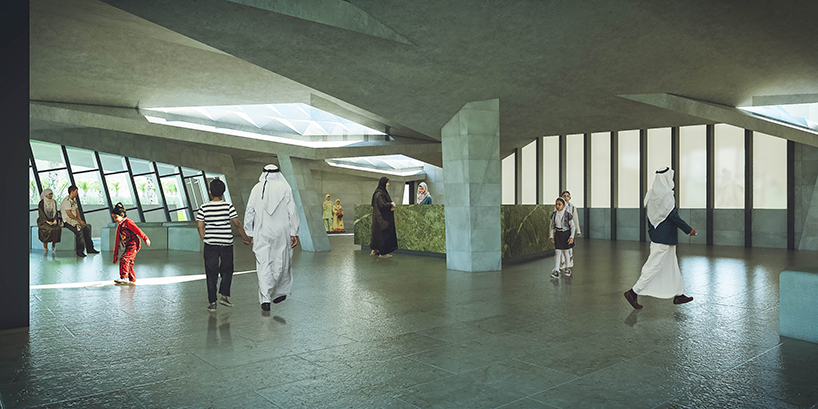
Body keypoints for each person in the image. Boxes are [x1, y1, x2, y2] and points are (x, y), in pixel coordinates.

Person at [624, 167, 697, 309]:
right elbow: (672, 216)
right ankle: (633, 292)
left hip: (660, 236)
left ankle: (679, 294)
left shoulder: (652, 193)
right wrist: (689, 230)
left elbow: (651, 217)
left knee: (672, 266)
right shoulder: (667, 195)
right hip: (664, 239)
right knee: (653, 267)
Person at [244, 164, 299, 312]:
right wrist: (294, 231)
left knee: (263, 263)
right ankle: (278, 292)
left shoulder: (256, 188)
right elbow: (292, 211)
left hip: (262, 232)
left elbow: (249, 210)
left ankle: (266, 298)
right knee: (281, 261)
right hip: (282, 231)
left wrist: (248, 232)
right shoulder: (285, 188)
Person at [197, 179, 252, 312]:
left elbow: (200, 226)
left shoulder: (203, 208)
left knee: (211, 273)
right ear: (223, 192)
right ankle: (224, 296)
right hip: (226, 244)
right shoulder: (228, 206)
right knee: (227, 270)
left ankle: (212, 303)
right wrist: (246, 238)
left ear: (210, 192)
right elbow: (237, 224)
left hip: (210, 245)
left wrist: (205, 238)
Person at [111, 203, 150, 285]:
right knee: (130, 261)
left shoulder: (128, 222)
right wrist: (115, 254)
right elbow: (117, 240)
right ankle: (132, 278)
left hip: (133, 244)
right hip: (129, 245)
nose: (114, 219)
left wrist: (145, 238)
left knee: (124, 259)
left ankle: (124, 277)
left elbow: (137, 230)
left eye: (116, 217)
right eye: (113, 217)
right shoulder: (120, 226)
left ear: (122, 215)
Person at [61, 185, 99, 257]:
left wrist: (80, 221)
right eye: (76, 192)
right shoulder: (66, 201)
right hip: (67, 221)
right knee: (79, 231)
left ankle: (90, 249)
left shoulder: (74, 201)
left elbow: (76, 211)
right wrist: (79, 221)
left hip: (74, 220)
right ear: (72, 192)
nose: (77, 193)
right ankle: (79, 251)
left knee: (86, 229)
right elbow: (69, 214)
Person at [370, 177, 397, 258]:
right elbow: (382, 205)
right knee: (383, 235)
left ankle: (374, 250)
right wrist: (391, 204)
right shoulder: (380, 193)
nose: (388, 184)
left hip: (378, 218)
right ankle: (383, 253)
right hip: (382, 219)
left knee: (376, 235)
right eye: (387, 182)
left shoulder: (378, 193)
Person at [549, 197, 576, 279]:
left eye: (559, 204)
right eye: (556, 204)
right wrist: (551, 236)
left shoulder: (568, 215)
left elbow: (573, 226)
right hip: (558, 234)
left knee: (566, 252)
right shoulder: (554, 215)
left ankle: (567, 268)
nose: (557, 206)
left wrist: (571, 237)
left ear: (564, 205)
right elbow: (551, 226)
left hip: (566, 234)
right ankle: (556, 270)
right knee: (557, 252)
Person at [560, 190, 581, 272]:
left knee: (569, 246)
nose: (565, 198)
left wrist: (578, 230)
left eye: (567, 196)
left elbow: (576, 219)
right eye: (564, 196)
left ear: (570, 198)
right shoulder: (559, 206)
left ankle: (570, 259)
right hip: (561, 229)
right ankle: (562, 263)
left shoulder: (572, 207)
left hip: (569, 229)